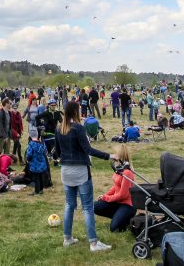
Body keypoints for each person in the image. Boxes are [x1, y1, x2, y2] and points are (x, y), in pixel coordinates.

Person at [54, 100, 114, 253]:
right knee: (87, 207)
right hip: (80, 170)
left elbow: (58, 152)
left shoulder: (59, 128)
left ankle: (67, 238)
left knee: (69, 205)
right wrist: (109, 156)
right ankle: (94, 243)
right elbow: (88, 149)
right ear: (75, 111)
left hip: (65, 170)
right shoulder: (79, 128)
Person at [93, 144, 136, 233]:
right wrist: (105, 195)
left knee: (114, 228)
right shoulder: (119, 169)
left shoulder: (127, 172)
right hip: (117, 202)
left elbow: (123, 195)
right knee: (94, 206)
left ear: (121, 156)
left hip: (127, 205)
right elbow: (115, 186)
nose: (113, 156)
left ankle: (126, 219)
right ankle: (119, 216)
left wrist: (106, 198)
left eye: (115, 154)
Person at [24, 128, 49, 195]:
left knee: (36, 178)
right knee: (41, 176)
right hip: (42, 164)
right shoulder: (42, 143)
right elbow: (46, 152)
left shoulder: (31, 144)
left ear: (30, 135)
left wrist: (28, 160)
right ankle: (41, 190)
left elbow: (29, 154)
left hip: (34, 164)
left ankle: (36, 191)